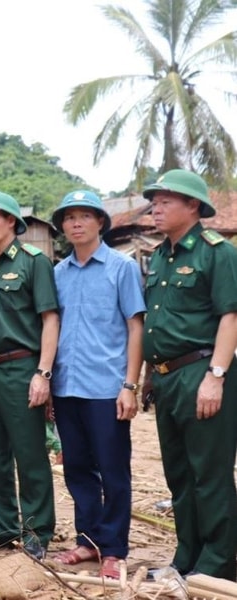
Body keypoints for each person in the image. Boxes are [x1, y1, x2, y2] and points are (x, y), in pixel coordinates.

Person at [141, 169, 237, 580]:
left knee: (210, 473)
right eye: (154, 201)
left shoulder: (217, 252)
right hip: (166, 377)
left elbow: (230, 316)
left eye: (165, 201)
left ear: (193, 206)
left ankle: (217, 565)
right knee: (179, 473)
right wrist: (148, 374)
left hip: (201, 371)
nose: (155, 208)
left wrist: (216, 375)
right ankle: (187, 557)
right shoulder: (161, 255)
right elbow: (156, 321)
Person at [48, 190, 145, 580]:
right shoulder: (58, 273)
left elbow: (134, 326)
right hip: (67, 386)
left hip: (107, 387)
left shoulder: (121, 267)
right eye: (69, 218)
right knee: (77, 469)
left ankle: (114, 548)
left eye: (84, 216)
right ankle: (87, 540)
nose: (76, 223)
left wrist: (130, 385)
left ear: (100, 222)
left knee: (113, 469)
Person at [0, 191, 59, 559]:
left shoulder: (34, 263)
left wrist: (43, 373)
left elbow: (50, 319)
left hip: (22, 368)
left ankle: (37, 532)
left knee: (30, 452)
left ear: (10, 222)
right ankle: (4, 526)